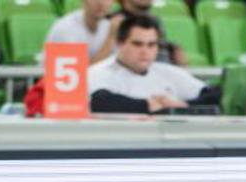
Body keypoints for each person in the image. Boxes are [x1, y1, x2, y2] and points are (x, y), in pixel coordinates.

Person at [88, 15, 218, 114]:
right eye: (137, 44)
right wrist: (147, 105)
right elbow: (99, 102)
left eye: (151, 45)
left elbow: (215, 95)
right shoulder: (97, 72)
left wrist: (183, 105)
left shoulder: (168, 72)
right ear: (119, 44)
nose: (145, 51)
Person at [45, 0, 115, 63]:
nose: (100, 2)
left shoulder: (111, 24)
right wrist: (110, 38)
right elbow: (77, 72)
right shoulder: (64, 29)